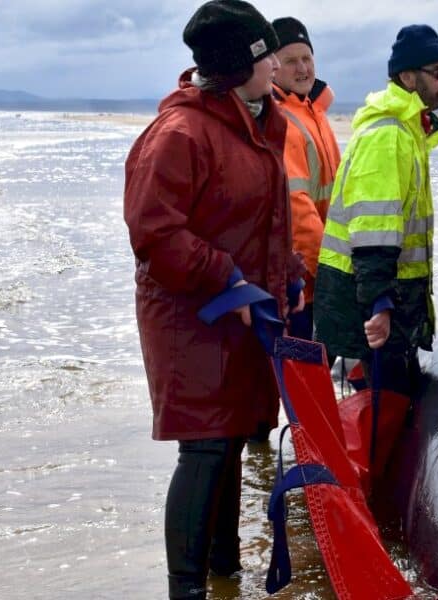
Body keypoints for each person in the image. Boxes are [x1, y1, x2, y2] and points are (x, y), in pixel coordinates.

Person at [123, 1, 303, 597]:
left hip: (244, 309)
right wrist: (226, 279)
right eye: (266, 53)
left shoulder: (260, 118)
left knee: (229, 438)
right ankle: (188, 590)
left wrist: (292, 275)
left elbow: (265, 220)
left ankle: (228, 574)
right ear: (239, 65)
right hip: (190, 314)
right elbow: (154, 233)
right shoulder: (179, 133)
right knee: (203, 443)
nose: (276, 63)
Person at [313, 24, 438, 397]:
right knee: (382, 416)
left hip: (392, 297)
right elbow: (374, 230)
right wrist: (380, 303)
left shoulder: (409, 130)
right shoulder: (388, 134)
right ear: (408, 77)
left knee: (395, 410)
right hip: (366, 300)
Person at [271, 16, 341, 338]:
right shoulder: (280, 119)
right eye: (291, 61)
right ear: (273, 66)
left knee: (321, 370)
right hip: (304, 288)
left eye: (307, 58)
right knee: (302, 376)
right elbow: (297, 211)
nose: (302, 68)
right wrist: (330, 273)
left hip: (326, 274)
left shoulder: (315, 112)